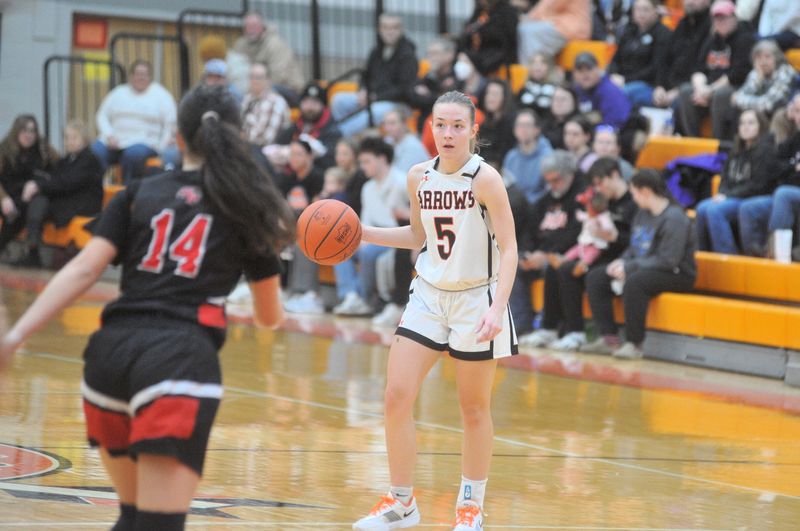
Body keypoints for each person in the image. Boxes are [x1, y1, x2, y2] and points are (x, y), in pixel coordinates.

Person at [0, 85, 294, 530]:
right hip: (177, 362)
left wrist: (15, 336)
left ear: (178, 136)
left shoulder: (138, 192)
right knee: (158, 524)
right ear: (237, 136)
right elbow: (269, 318)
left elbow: (82, 272)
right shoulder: (244, 207)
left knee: (134, 517)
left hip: (108, 361)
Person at [352, 90, 517, 531]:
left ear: (473, 131)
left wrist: (498, 308)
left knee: (473, 408)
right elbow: (417, 237)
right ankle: (402, 503)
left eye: (458, 126)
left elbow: (511, 248)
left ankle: (470, 504)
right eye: (441, 124)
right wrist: (360, 232)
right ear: (430, 126)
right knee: (395, 396)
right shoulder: (418, 176)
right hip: (428, 293)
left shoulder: (485, 180)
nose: (448, 133)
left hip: (475, 298)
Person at [521, 157, 637, 351]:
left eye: (601, 183)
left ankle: (577, 332)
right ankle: (548, 328)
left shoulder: (633, 202)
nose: (598, 189)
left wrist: (612, 237)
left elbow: (634, 241)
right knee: (556, 266)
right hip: (596, 253)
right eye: (595, 185)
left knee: (571, 270)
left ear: (615, 175)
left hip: (618, 258)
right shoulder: (602, 202)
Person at [584, 169, 696, 358]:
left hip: (677, 274)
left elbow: (669, 260)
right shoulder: (642, 214)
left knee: (635, 282)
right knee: (597, 276)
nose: (633, 198)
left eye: (634, 193)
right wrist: (621, 261)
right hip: (645, 267)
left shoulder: (674, 218)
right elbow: (634, 246)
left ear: (645, 191)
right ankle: (609, 338)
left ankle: (634, 343)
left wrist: (629, 267)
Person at [511, 150, 585, 338]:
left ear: (569, 174)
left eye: (556, 180)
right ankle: (521, 326)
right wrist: (527, 253)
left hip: (568, 255)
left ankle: (555, 327)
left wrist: (546, 254)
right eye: (548, 181)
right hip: (540, 254)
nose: (552, 185)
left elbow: (575, 234)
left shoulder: (582, 197)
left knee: (555, 268)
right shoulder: (544, 201)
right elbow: (530, 231)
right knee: (512, 266)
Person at [333, 137, 406, 317]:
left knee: (367, 252)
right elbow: (364, 221)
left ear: (382, 159)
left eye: (367, 161)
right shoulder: (367, 187)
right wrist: (361, 238)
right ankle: (350, 295)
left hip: (396, 237)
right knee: (338, 247)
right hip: (373, 234)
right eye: (361, 162)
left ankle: (363, 299)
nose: (363, 166)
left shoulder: (402, 182)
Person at [16, 121, 104, 268]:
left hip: (84, 204)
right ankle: (32, 251)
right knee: (38, 201)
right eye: (67, 137)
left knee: (39, 200)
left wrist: (38, 185)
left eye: (74, 137)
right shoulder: (66, 160)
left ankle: (33, 253)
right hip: (69, 200)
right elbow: (56, 179)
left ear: (84, 139)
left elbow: (67, 183)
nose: (69, 141)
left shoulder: (89, 159)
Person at [695, 109, 775, 254]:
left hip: (751, 198)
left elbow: (758, 185)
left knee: (715, 211)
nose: (745, 126)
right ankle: (704, 254)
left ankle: (727, 255)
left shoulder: (766, 150)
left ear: (761, 126)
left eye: (751, 123)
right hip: (732, 196)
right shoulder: (736, 149)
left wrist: (728, 195)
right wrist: (722, 193)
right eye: (742, 123)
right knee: (701, 208)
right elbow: (724, 177)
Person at [675, 0, 756, 139]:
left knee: (721, 95)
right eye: (716, 18)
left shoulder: (744, 38)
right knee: (686, 91)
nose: (720, 21)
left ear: (734, 17)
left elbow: (738, 74)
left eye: (724, 17)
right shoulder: (712, 40)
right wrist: (700, 88)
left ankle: (720, 142)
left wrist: (710, 90)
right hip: (709, 87)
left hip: (734, 87)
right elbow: (698, 68)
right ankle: (693, 139)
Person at [331, 13, 419, 137]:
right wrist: (362, 91)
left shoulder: (408, 55)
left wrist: (374, 97)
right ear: (379, 29)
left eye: (394, 27)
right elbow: (365, 75)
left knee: (373, 111)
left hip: (398, 103)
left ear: (401, 30)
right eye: (386, 27)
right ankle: (345, 136)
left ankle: (337, 136)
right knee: (339, 100)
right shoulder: (376, 51)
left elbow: (403, 89)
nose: (390, 32)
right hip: (372, 97)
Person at [92, 60, 178, 182]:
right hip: (113, 141)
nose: (141, 77)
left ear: (150, 77)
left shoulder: (162, 95)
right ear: (131, 76)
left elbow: (170, 123)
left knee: (133, 155)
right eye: (138, 74)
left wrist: (162, 147)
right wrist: (109, 135)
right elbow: (102, 115)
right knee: (95, 152)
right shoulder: (118, 92)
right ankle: (95, 192)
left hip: (145, 143)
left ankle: (127, 193)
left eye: (144, 74)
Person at [0, 115, 58, 259]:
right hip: (7, 196)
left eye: (32, 131)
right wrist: (3, 197)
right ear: (16, 131)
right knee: (14, 212)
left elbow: (59, 172)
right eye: (24, 130)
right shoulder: (5, 150)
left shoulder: (44, 149)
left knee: (30, 208)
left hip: (31, 198)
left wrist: (37, 185)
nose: (28, 135)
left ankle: (32, 254)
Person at [607, 0, 673, 107]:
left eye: (646, 9)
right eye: (637, 9)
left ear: (655, 11)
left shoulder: (663, 34)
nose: (641, 13)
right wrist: (614, 74)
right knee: (595, 82)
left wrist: (625, 79)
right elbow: (615, 59)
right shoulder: (629, 31)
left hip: (647, 84)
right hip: (621, 79)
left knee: (620, 93)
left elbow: (655, 68)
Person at [265, 82, 342, 173]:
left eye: (314, 103)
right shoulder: (296, 126)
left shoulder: (332, 131)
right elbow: (277, 144)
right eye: (306, 102)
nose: (310, 107)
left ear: (323, 106)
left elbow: (328, 161)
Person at [233, 11, 305, 104]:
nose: (251, 29)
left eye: (255, 25)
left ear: (262, 26)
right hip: (254, 87)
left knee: (268, 92)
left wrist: (254, 88)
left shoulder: (275, 44)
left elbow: (279, 75)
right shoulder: (241, 44)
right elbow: (235, 69)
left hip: (288, 89)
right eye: (248, 26)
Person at [653, 0, 712, 109]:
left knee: (680, 102)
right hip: (670, 86)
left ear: (708, 2)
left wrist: (676, 92)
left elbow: (701, 68)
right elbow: (665, 59)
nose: (689, 2)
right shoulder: (682, 24)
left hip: (694, 87)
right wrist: (660, 86)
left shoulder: (712, 27)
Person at [548, 189, 618, 276]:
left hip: (595, 245)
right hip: (583, 243)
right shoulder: (588, 215)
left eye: (589, 207)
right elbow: (581, 216)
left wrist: (600, 228)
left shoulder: (603, 217)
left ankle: (582, 266)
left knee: (590, 255)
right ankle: (562, 259)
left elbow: (608, 228)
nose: (588, 210)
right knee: (574, 251)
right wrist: (579, 213)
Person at [501, 108, 553, 204]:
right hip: (514, 207)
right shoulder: (511, 157)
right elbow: (506, 187)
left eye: (527, 125)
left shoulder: (548, 156)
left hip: (537, 207)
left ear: (537, 130)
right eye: (519, 125)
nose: (523, 129)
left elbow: (549, 191)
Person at [572, 52, 632, 130]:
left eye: (589, 69)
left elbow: (616, 124)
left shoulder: (610, 91)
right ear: (574, 73)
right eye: (580, 70)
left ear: (598, 69)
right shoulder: (575, 91)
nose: (585, 74)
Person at [517, 0, 591, 62]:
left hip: (573, 27)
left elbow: (553, 4)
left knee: (527, 31)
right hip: (560, 23)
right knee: (523, 27)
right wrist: (529, 17)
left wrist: (530, 18)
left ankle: (527, 73)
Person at [459, 0, 519, 76]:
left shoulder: (507, 12)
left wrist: (481, 30)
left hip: (495, 56)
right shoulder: (480, 11)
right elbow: (468, 28)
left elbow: (506, 40)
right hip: (476, 53)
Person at [241, 62, 291, 149]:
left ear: (268, 80)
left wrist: (241, 138)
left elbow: (265, 140)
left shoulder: (276, 102)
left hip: (265, 154)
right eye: (251, 77)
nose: (254, 81)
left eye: (258, 77)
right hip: (245, 149)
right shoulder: (247, 98)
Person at [476, 79, 517, 168]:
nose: (490, 98)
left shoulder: (512, 123)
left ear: (505, 98)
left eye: (495, 94)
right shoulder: (485, 122)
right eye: (488, 93)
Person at [382, 107, 431, 173]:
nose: (388, 128)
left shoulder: (412, 145)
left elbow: (402, 176)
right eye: (386, 123)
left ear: (404, 124)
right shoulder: (388, 140)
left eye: (392, 123)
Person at [517, 53, 562, 118]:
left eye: (543, 63)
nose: (538, 66)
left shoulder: (556, 89)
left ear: (549, 67)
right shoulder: (523, 89)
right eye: (534, 62)